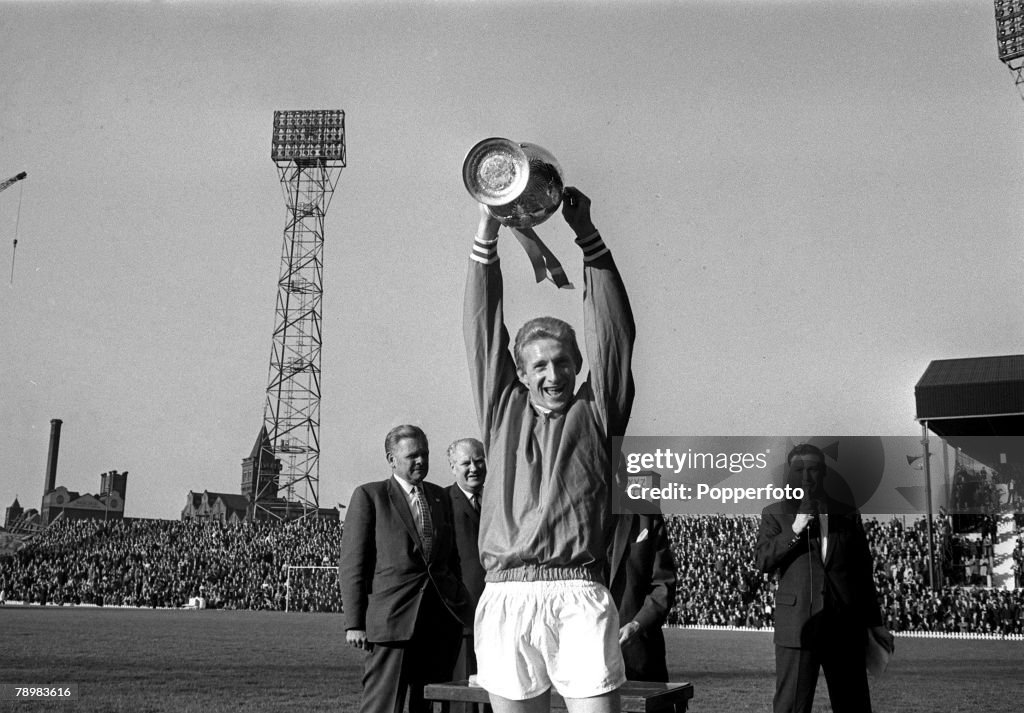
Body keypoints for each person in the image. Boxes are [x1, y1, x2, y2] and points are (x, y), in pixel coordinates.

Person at [464, 186, 635, 713]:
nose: (553, 374)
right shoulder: (502, 413)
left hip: (579, 594)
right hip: (507, 593)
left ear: (579, 366)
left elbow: (615, 335)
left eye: (563, 362)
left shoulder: (598, 412)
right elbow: (482, 328)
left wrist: (588, 237)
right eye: (539, 365)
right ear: (519, 373)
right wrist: (487, 231)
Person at [338, 425, 470, 713]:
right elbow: (353, 564)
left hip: (436, 624)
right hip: (392, 624)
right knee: (383, 705)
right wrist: (354, 623)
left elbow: (450, 559)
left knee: (426, 705)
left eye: (424, 454)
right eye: (412, 456)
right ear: (391, 459)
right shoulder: (370, 496)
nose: (420, 461)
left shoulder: (439, 497)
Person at [755, 443, 894, 713]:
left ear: (824, 473)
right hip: (798, 629)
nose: (806, 476)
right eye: (799, 469)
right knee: (791, 707)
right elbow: (762, 561)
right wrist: (796, 528)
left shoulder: (847, 513)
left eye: (813, 469)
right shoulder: (775, 513)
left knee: (854, 706)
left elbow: (863, 574)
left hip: (844, 628)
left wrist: (875, 624)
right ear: (790, 474)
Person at [607, 471, 677, 682]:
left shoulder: (646, 515)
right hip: (583, 656)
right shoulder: (575, 517)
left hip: (639, 651)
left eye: (616, 471)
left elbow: (663, 583)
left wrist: (637, 624)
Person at [445, 437, 488, 693]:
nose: (473, 468)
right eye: (465, 463)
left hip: (501, 616)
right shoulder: (442, 502)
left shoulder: (501, 497)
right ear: (453, 467)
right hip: (462, 619)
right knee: (464, 697)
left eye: (479, 460)